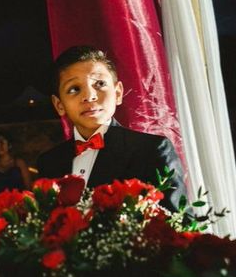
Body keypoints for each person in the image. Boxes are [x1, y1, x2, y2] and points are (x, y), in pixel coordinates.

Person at [37, 45, 185, 211]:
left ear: (118, 93)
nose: (89, 96)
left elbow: (181, 225)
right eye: (74, 89)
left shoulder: (151, 151)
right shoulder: (48, 163)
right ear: (59, 105)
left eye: (99, 84)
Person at [0, 132, 32, 197]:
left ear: (9, 145)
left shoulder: (19, 163)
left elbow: (28, 187)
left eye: (1, 143)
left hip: (18, 202)